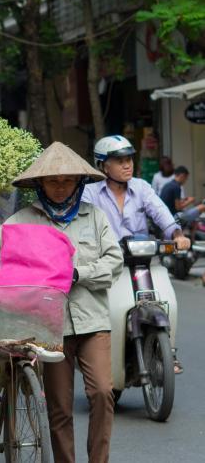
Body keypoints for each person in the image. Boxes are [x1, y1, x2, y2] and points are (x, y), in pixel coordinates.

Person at [0, 142, 124, 463]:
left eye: (67, 180)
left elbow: (114, 260)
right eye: (52, 180)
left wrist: (80, 273)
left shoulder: (94, 217)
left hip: (93, 321)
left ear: (79, 183)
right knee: (59, 406)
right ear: (39, 184)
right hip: (47, 328)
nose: (60, 187)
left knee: (102, 393)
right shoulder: (22, 220)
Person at [82, 135, 190, 375]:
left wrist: (177, 233)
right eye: (119, 160)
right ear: (103, 165)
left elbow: (161, 212)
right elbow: (84, 225)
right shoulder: (89, 193)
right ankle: (102, 361)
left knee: (167, 301)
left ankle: (168, 350)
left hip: (144, 261)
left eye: (129, 159)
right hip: (109, 264)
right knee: (104, 314)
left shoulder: (142, 187)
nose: (127, 164)